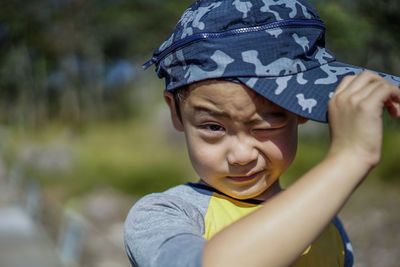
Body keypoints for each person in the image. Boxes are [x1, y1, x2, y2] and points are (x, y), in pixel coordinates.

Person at [124, 1, 400, 266]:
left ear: (301, 107)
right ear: (176, 112)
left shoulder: (326, 222)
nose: (241, 155)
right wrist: (348, 158)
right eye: (213, 127)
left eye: (266, 125)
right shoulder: (163, 215)